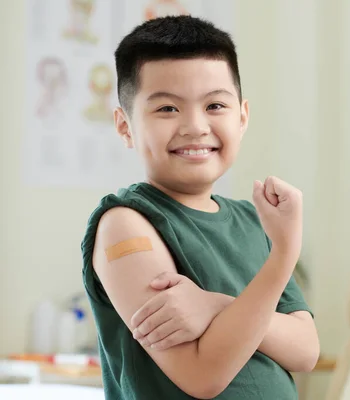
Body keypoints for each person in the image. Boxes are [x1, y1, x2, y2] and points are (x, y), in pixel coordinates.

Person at [81, 15, 319, 399]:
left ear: (242, 117)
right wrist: (284, 255)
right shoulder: (125, 225)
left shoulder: (254, 222)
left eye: (215, 105)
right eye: (167, 109)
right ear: (125, 126)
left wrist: (214, 305)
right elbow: (202, 375)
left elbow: (306, 350)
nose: (195, 126)